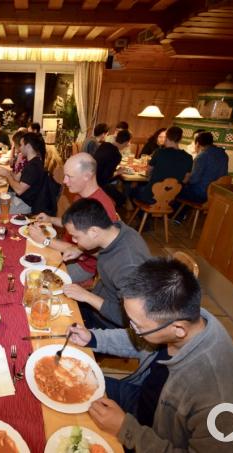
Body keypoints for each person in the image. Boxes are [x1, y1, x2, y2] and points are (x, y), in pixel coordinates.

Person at [67, 258, 233, 452]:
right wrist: (92, 338)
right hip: (143, 401)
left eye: (137, 325)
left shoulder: (223, 402)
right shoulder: (188, 317)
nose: (132, 329)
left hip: (154, 436)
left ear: (178, 329)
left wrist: (126, 429)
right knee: (69, 385)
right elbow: (141, 339)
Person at [58, 198, 151, 328]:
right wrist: (82, 250)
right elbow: (110, 256)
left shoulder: (129, 266)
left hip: (108, 324)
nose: (73, 241)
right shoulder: (117, 230)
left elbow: (130, 319)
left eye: (76, 237)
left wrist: (87, 296)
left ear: (93, 232)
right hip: (99, 300)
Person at [31, 153, 120, 284]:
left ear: (87, 176)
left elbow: (100, 253)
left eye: (69, 177)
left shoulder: (101, 207)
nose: (64, 181)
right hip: (66, 251)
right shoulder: (80, 194)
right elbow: (74, 224)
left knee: (38, 281)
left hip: (84, 266)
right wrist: (50, 219)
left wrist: (45, 241)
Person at [0, 132, 58, 216]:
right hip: (20, 200)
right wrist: (5, 171)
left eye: (21, 145)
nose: (19, 148)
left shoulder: (34, 166)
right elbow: (17, 178)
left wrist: (7, 175)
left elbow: (19, 190)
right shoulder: (32, 162)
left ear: (28, 146)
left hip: (25, 204)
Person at [174, 132, 230, 222]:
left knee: (176, 188)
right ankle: (181, 215)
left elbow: (194, 180)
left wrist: (183, 178)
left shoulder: (202, 156)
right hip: (217, 195)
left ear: (197, 144)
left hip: (202, 195)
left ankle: (177, 217)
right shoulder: (224, 155)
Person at [132, 126, 193, 205]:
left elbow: (148, 172)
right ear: (180, 139)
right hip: (171, 198)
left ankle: (139, 213)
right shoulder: (188, 157)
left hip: (151, 196)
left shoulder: (159, 152)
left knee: (132, 189)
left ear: (166, 137)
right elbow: (185, 180)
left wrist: (151, 179)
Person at [94, 129, 131, 207]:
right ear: (125, 142)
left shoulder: (104, 145)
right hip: (99, 184)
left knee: (116, 188)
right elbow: (106, 178)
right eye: (128, 142)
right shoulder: (117, 155)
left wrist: (116, 171)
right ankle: (109, 212)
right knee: (122, 198)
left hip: (91, 177)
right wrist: (118, 172)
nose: (128, 144)